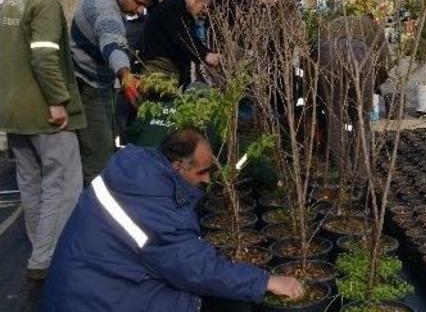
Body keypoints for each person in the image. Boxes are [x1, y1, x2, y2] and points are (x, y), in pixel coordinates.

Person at [41, 128, 304, 311]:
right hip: (94, 302)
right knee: (193, 299)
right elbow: (196, 268)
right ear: (178, 166)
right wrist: (266, 281)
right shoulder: (153, 212)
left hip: (84, 287)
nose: (207, 179)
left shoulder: (138, 171)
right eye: (202, 172)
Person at [0, 0, 85, 280]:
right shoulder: (46, 3)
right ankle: (48, 259)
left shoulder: (11, 1)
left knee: (30, 185)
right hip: (46, 114)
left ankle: (39, 249)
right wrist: (58, 100)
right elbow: (45, 56)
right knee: (62, 185)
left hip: (14, 113)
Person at [71, 0, 161, 183]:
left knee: (106, 140)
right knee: (99, 152)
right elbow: (112, 43)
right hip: (88, 83)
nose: (139, 11)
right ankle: (94, 204)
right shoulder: (107, 13)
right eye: (138, 3)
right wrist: (125, 75)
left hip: (95, 78)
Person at [88, 0, 151, 144]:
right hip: (114, 27)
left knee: (134, 80)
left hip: (137, 28)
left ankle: (130, 133)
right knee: (118, 77)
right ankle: (113, 134)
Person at [317, 14, 390, 162]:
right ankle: (362, 171)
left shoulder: (331, 22)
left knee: (333, 117)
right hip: (358, 56)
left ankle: (342, 168)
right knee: (360, 118)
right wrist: (373, 86)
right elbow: (384, 63)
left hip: (326, 54)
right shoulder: (375, 27)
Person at [140, 0, 221, 86]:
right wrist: (205, 55)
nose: (205, 11)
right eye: (203, 6)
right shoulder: (172, 7)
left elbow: (189, 38)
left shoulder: (183, 10)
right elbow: (181, 37)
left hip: (170, 67)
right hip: (159, 67)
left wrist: (207, 53)